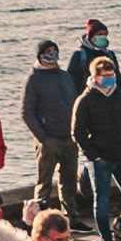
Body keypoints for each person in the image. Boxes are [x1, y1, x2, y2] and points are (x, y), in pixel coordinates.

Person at [72, 52, 121, 241]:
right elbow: (78, 132)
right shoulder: (85, 100)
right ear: (95, 76)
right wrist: (93, 155)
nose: (109, 78)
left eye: (111, 74)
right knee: (102, 202)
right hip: (100, 159)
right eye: (105, 75)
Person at [18, 40, 80, 227]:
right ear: (40, 56)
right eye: (47, 51)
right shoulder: (33, 80)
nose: (52, 54)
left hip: (70, 137)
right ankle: (38, 221)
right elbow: (27, 112)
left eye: (54, 51)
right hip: (48, 139)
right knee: (44, 182)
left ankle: (71, 217)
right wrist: (43, 138)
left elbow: (75, 102)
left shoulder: (64, 76)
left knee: (69, 180)